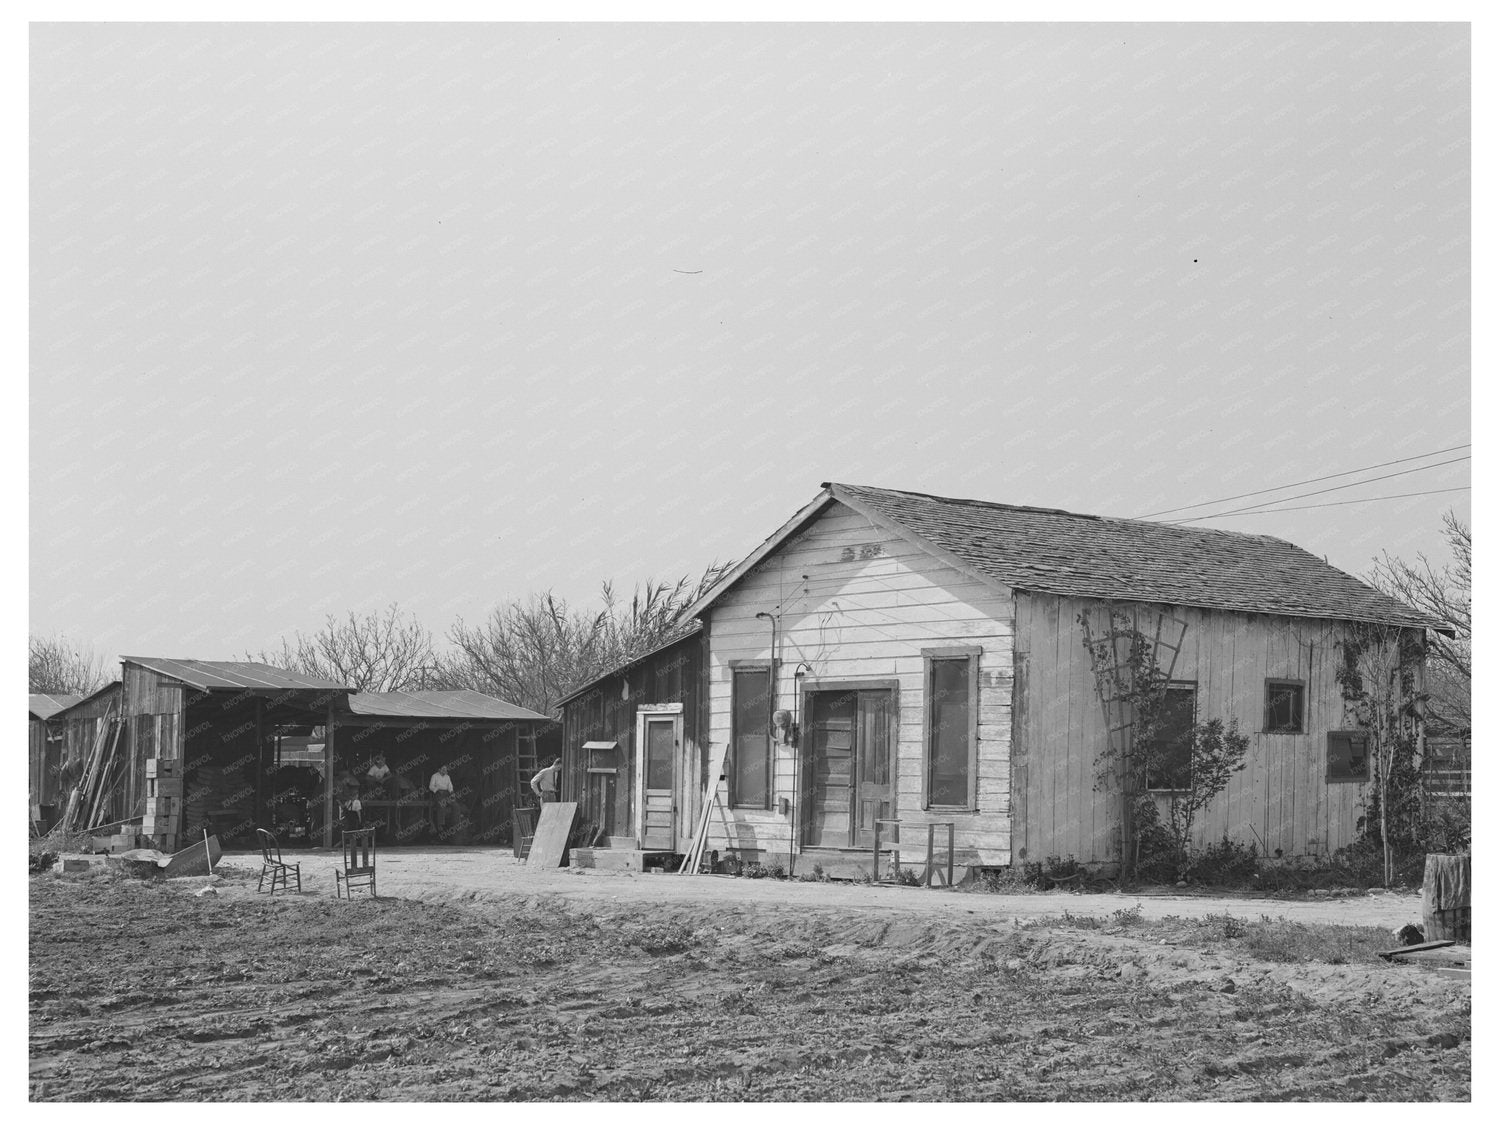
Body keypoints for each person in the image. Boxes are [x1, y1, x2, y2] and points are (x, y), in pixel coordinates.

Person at [429, 763, 456, 840]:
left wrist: (452, 793)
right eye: (443, 769)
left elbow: (450, 786)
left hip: (446, 793)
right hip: (438, 794)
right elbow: (431, 786)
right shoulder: (434, 776)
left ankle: (455, 822)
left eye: (446, 769)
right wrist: (437, 789)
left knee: (455, 805)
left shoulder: (448, 777)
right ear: (439, 770)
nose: (445, 770)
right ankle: (440, 825)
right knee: (442, 804)